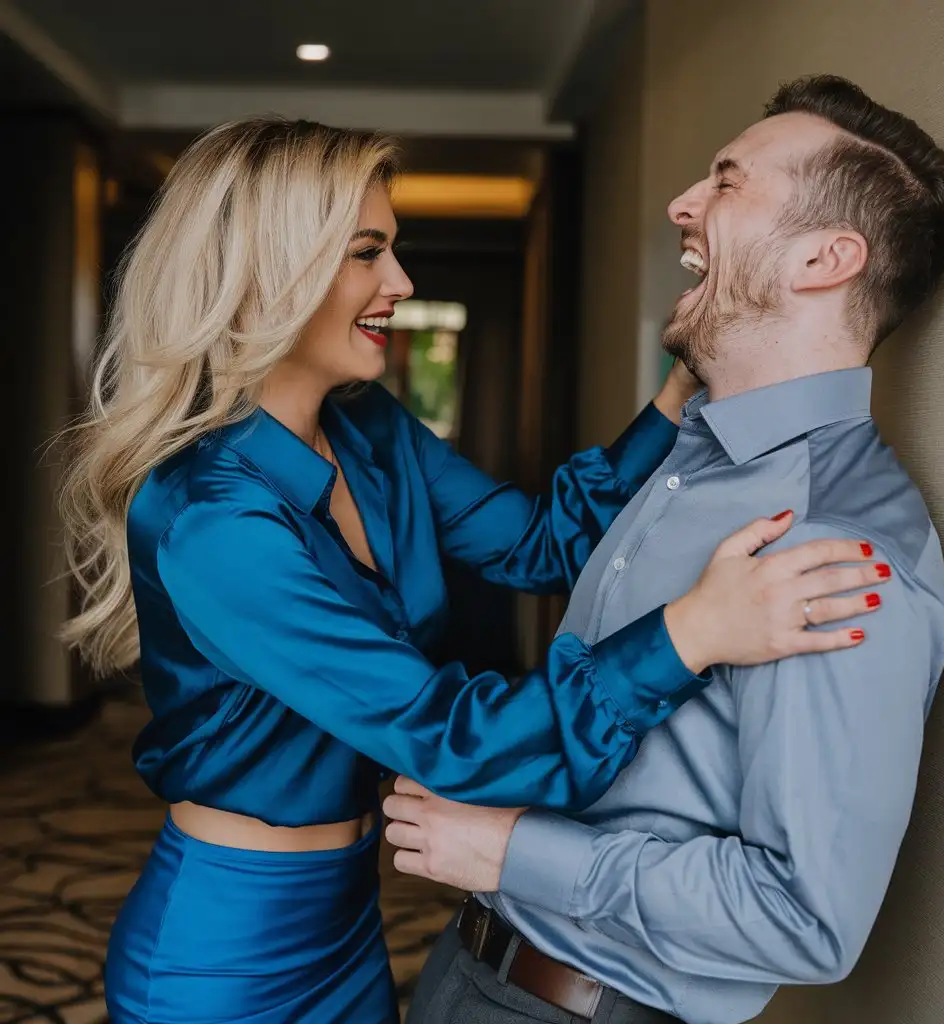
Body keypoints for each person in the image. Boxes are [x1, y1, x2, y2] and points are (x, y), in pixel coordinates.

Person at [58, 118, 884, 1024]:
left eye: (394, 249)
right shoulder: (210, 515)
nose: (401, 284)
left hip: (345, 919)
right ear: (267, 273)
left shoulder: (370, 430)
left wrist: (678, 393)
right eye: (368, 252)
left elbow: (541, 545)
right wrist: (690, 633)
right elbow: (446, 734)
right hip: (219, 948)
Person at [387, 75, 944, 1024]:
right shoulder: (695, 459)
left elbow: (804, 917)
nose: (681, 205)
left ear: (826, 257)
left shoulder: (831, 547)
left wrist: (512, 852)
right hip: (471, 967)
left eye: (727, 183)